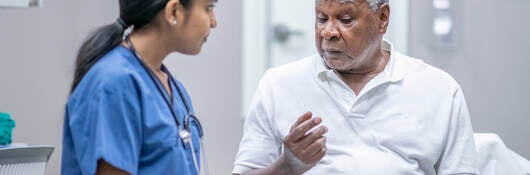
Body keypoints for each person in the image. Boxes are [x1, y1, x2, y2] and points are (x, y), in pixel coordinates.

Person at [233, 0, 478, 174]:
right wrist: (287, 166)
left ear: (382, 18)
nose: (328, 32)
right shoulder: (278, 85)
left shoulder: (438, 89)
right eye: (321, 19)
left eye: (345, 19)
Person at [61, 0, 217, 174]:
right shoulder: (114, 85)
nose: (214, 22)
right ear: (174, 11)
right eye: (208, 8)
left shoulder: (174, 89)